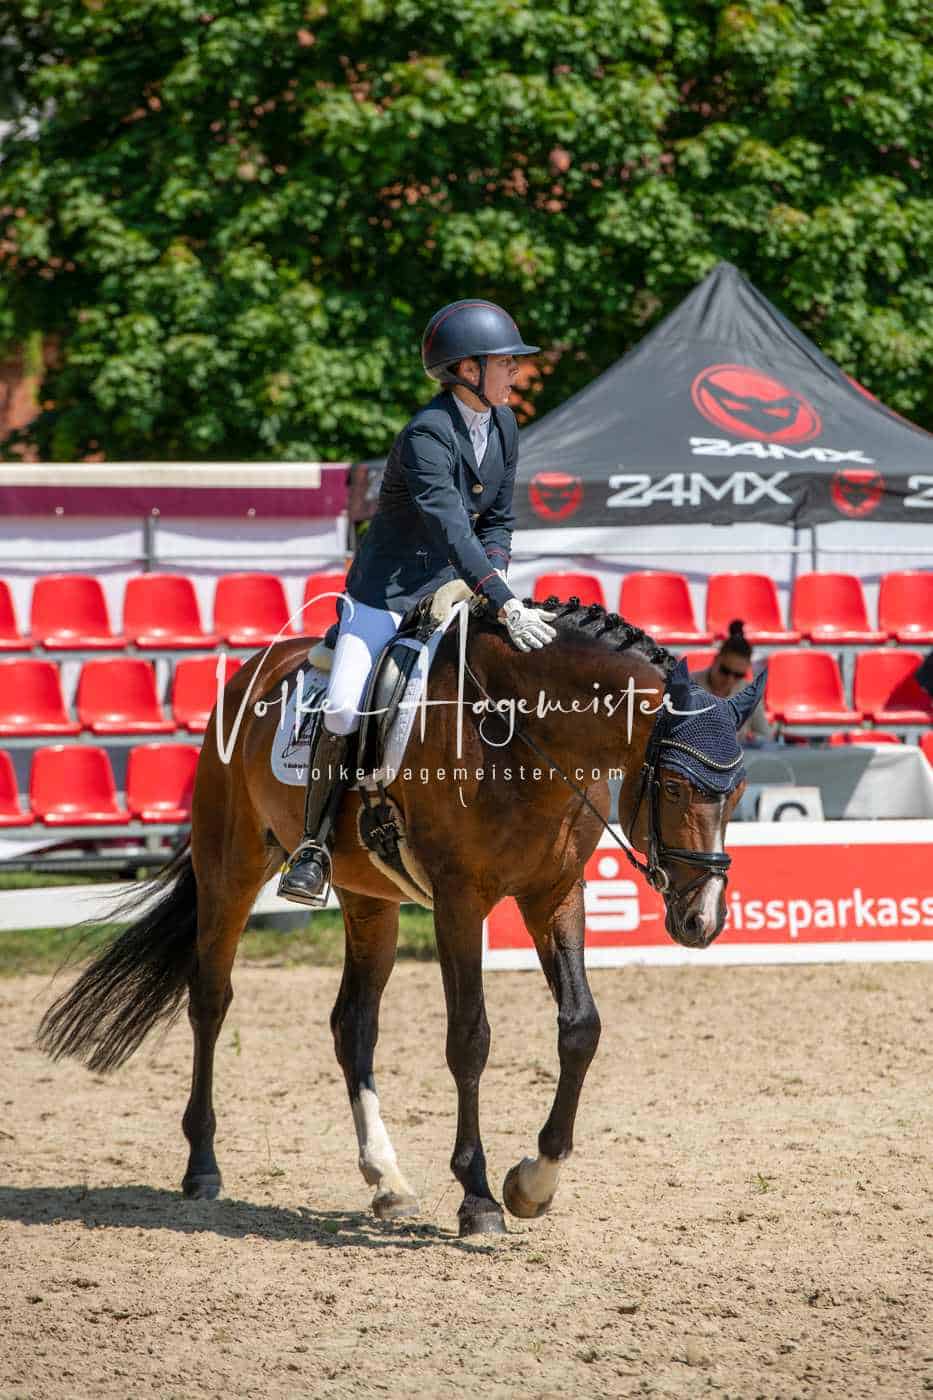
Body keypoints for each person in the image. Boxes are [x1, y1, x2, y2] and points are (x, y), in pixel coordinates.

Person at [278, 299, 559, 905]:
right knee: (344, 707)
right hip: (387, 595)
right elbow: (451, 527)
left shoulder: (504, 426)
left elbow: (497, 521)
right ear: (467, 370)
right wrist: (504, 601)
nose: (516, 371)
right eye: (505, 362)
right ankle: (313, 847)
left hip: (455, 588)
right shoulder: (427, 434)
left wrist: (493, 581)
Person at [693, 620, 773, 743]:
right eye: (725, 671)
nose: (730, 680)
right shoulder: (688, 686)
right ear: (715, 660)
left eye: (738, 675)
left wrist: (752, 740)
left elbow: (766, 737)